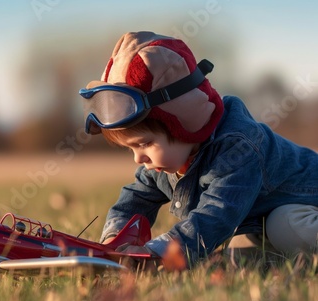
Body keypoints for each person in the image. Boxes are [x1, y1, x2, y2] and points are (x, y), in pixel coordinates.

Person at [79, 31, 318, 269]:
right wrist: (115, 241)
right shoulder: (162, 162)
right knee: (239, 254)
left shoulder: (237, 148)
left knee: (283, 226)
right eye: (130, 148)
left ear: (185, 123)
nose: (138, 157)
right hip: (260, 220)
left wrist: (160, 253)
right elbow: (135, 201)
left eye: (145, 144)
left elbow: (215, 215)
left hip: (307, 202)